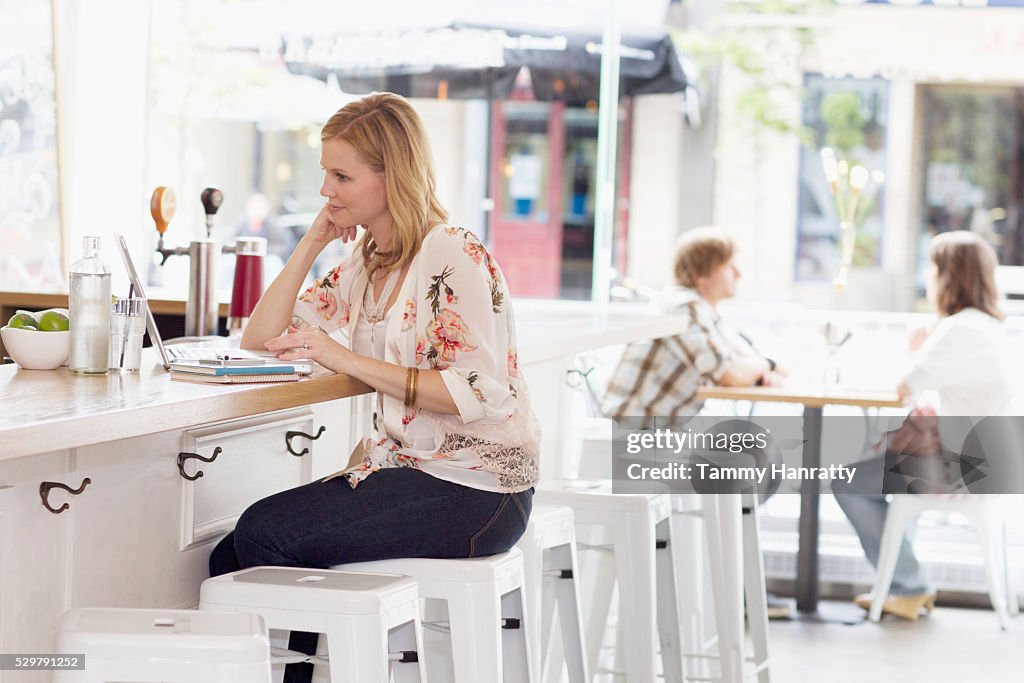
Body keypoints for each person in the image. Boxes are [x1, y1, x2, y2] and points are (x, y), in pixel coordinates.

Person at [209, 92, 539, 682]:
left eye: (341, 176)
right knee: (229, 560)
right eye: (325, 174)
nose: (325, 191)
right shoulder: (369, 262)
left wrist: (344, 358)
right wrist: (312, 242)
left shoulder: (449, 251)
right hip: (416, 474)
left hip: (478, 488)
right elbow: (260, 338)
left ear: (394, 176)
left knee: (263, 534)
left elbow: (477, 390)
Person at [832, 230, 1015, 621]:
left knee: (848, 482)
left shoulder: (958, 330)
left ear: (948, 276)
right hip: (991, 465)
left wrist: (915, 349)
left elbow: (902, 388)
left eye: (933, 268)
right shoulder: (989, 327)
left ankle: (907, 586)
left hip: (959, 470)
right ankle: (905, 584)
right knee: (892, 468)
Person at [602, 226, 785, 420]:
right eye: (729, 266)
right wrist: (769, 364)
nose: (739, 274)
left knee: (747, 444)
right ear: (701, 274)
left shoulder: (705, 313)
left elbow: (741, 363)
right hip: (635, 432)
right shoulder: (684, 308)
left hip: (655, 431)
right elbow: (731, 373)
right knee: (751, 446)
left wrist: (763, 371)